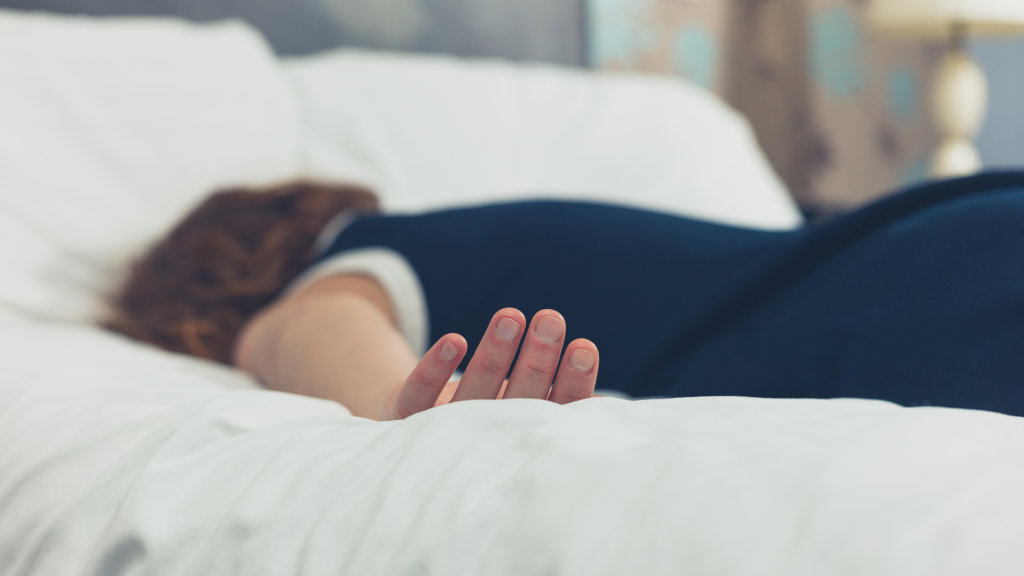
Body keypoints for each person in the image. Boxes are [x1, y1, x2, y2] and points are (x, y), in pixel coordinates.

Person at [107, 173, 1024, 420]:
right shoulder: (393, 250)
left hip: (891, 293)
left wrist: (399, 406)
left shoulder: (369, 252)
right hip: (943, 246)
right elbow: (301, 326)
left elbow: (297, 327)